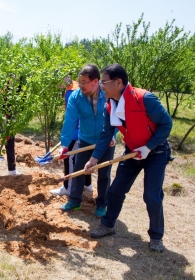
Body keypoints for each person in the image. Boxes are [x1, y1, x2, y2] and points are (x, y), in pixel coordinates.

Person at [85, 63, 173, 253]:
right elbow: (106, 134)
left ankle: (156, 237)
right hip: (132, 152)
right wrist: (94, 159)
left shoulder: (145, 99)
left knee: (151, 196)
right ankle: (107, 225)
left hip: (156, 152)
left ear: (118, 82)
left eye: (104, 82)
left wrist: (149, 147)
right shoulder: (110, 105)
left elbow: (166, 124)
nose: (101, 86)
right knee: (115, 190)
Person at [57, 64, 116, 217]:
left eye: (84, 82)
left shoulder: (108, 94)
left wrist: (113, 136)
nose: (80, 85)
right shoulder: (76, 97)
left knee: (104, 173)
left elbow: (117, 117)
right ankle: (75, 200)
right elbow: (69, 121)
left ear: (95, 82)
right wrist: (64, 144)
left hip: (105, 140)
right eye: (79, 81)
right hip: (85, 138)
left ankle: (102, 203)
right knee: (79, 170)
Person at [51, 76, 92, 196]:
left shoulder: (71, 93)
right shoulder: (76, 87)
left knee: (69, 158)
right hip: (85, 131)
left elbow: (72, 118)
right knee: (84, 158)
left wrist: (69, 137)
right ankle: (87, 185)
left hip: (76, 132)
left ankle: (67, 188)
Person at [0, 76, 21, 182]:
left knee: (10, 145)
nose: (13, 82)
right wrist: (0, 120)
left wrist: (11, 122)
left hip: (9, 122)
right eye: (11, 78)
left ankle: (12, 169)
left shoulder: (16, 94)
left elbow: (16, 110)